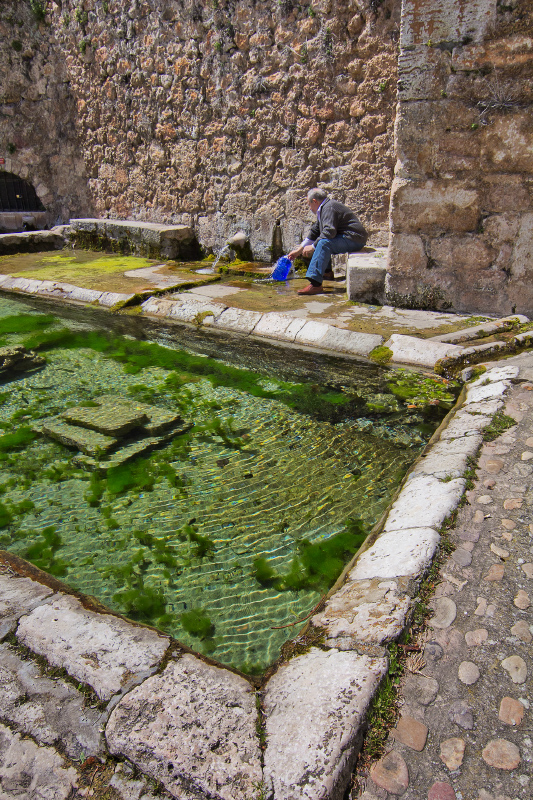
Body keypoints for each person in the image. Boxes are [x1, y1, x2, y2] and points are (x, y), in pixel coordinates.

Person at [288, 188, 367, 295]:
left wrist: (313, 247)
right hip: (351, 238)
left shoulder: (329, 208)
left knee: (323, 243)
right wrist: (298, 251)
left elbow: (329, 232)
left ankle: (315, 284)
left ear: (314, 201)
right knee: (321, 240)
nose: (309, 208)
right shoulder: (324, 209)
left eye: (309, 204)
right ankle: (327, 273)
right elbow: (314, 232)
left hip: (355, 239)